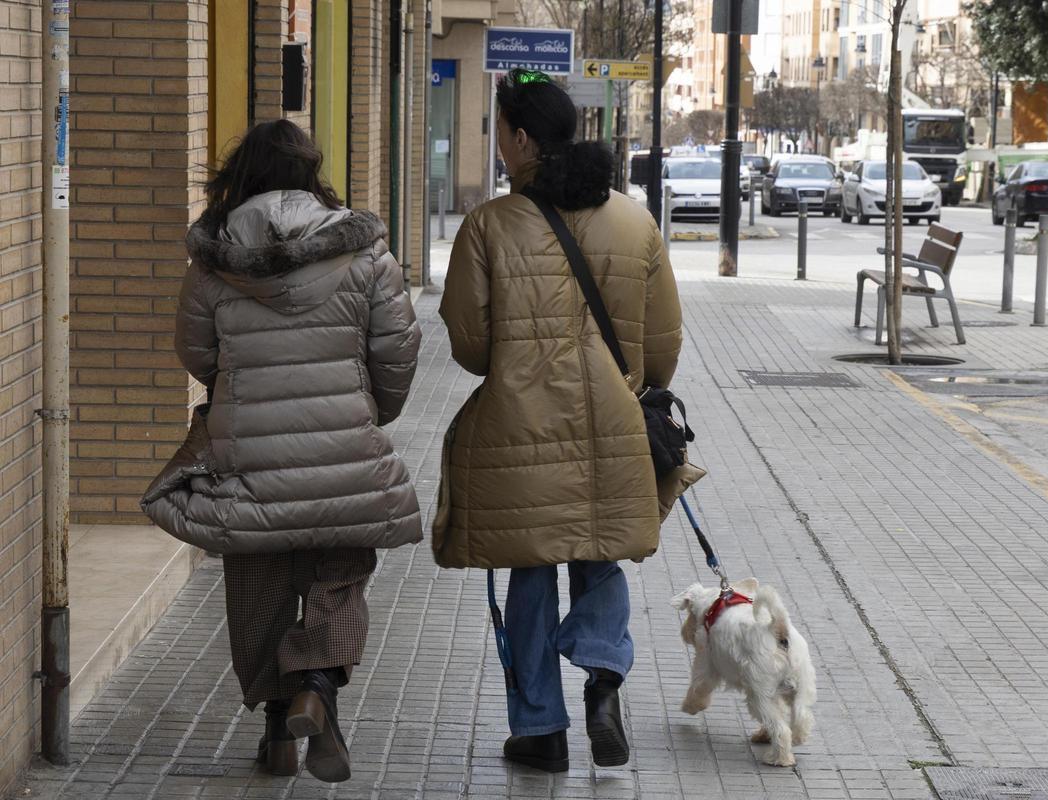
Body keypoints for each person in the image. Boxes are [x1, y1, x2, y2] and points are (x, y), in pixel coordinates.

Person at [150, 119, 422, 782]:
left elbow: (196, 352)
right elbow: (397, 349)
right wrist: (369, 413)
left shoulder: (213, 261)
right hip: (343, 449)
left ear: (240, 176)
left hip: (248, 456)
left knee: (257, 589)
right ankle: (317, 689)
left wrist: (238, 388)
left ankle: (277, 733)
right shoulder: (364, 253)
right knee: (340, 575)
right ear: (310, 173)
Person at [433, 69, 688, 773]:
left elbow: (471, 345)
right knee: (599, 552)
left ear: (521, 139)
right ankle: (603, 679)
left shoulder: (488, 226)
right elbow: (664, 340)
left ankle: (540, 730)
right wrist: (631, 386)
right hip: (612, 418)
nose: (498, 146)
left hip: (521, 425)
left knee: (531, 570)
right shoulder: (634, 221)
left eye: (500, 134)